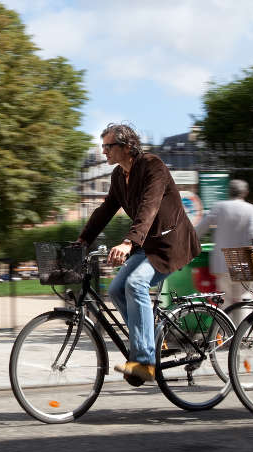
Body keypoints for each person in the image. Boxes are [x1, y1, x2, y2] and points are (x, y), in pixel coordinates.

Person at [76, 123, 201, 383]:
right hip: (146, 245)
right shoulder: (118, 177)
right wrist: (82, 240)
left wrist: (128, 242)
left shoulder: (153, 166)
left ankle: (144, 360)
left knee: (135, 284)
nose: (104, 152)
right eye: (103, 147)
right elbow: (105, 210)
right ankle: (152, 337)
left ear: (126, 146)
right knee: (116, 289)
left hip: (169, 243)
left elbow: (149, 207)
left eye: (108, 147)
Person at [194, 179, 253, 321]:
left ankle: (227, 335)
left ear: (229, 192)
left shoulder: (219, 207)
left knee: (225, 299)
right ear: (246, 192)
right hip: (243, 258)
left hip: (222, 261)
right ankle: (241, 337)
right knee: (244, 298)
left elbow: (200, 230)